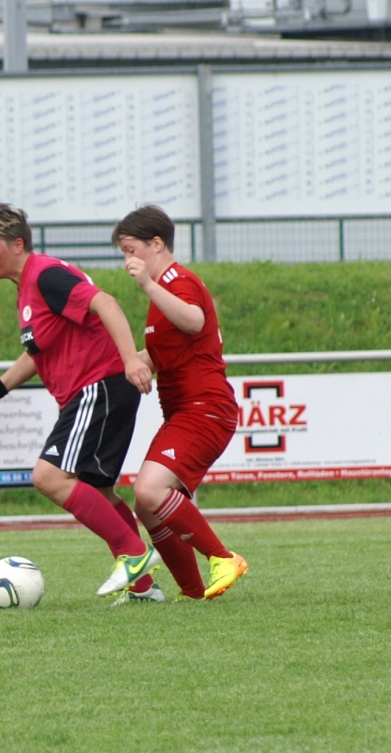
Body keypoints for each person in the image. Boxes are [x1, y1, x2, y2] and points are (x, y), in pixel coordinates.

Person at [0, 203, 162, 601]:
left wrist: (131, 360)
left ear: (17, 244)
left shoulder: (45, 275)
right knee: (98, 491)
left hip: (98, 387)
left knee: (48, 477)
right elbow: (38, 352)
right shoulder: (28, 286)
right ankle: (143, 589)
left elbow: (106, 303)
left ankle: (135, 555)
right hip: (96, 390)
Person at [111, 205, 248, 601]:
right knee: (146, 505)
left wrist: (148, 286)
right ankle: (192, 590)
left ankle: (223, 558)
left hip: (205, 408)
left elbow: (194, 320)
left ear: (157, 244)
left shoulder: (176, 280)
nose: (128, 260)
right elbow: (161, 354)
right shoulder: (163, 290)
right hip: (184, 412)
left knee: (150, 489)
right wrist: (123, 363)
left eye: (131, 250)